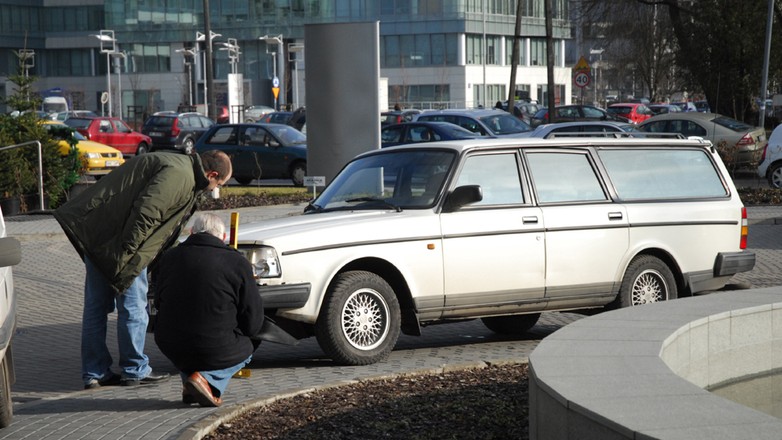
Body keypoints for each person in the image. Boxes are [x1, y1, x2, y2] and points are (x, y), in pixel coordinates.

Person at [54, 150, 233, 389]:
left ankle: (94, 373)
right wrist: (129, 252)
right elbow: (147, 211)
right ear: (211, 174)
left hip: (99, 238)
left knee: (96, 308)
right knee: (133, 307)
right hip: (123, 245)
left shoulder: (177, 164)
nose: (213, 191)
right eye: (217, 185)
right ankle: (134, 369)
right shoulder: (181, 175)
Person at [153, 212, 265, 407]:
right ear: (223, 237)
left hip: (169, 343)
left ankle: (190, 385)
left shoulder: (168, 257)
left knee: (190, 342)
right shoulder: (237, 262)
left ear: (191, 232)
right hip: (214, 345)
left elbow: (158, 300)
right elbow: (252, 318)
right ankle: (207, 381)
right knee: (248, 345)